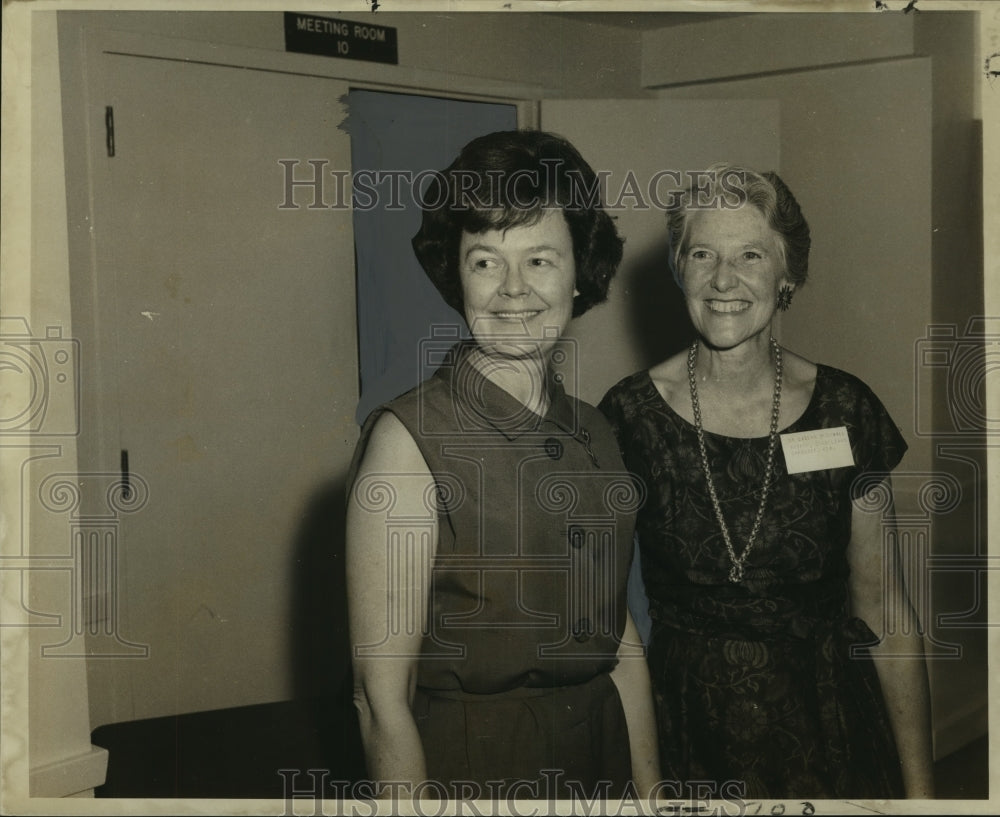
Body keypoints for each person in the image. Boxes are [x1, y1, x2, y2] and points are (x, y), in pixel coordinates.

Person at [599, 164, 934, 800]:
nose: (724, 279)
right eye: (703, 253)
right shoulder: (628, 417)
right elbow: (614, 628)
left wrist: (922, 795)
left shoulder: (846, 409)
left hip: (830, 726)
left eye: (750, 254)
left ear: (787, 276)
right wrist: (646, 794)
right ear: (679, 268)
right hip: (686, 735)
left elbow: (886, 610)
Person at [346, 130, 659, 801]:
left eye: (540, 259)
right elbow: (381, 700)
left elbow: (619, 638)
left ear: (581, 272)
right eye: (486, 261)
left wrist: (651, 792)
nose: (513, 290)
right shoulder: (408, 442)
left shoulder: (598, 430)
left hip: (600, 758)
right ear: (455, 275)